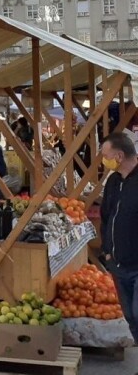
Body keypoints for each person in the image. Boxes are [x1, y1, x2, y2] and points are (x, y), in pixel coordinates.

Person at [100, 132, 138, 344]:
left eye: (106, 155)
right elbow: (106, 216)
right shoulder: (114, 181)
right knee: (131, 317)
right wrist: (106, 251)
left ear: (120, 155)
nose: (104, 160)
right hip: (117, 263)